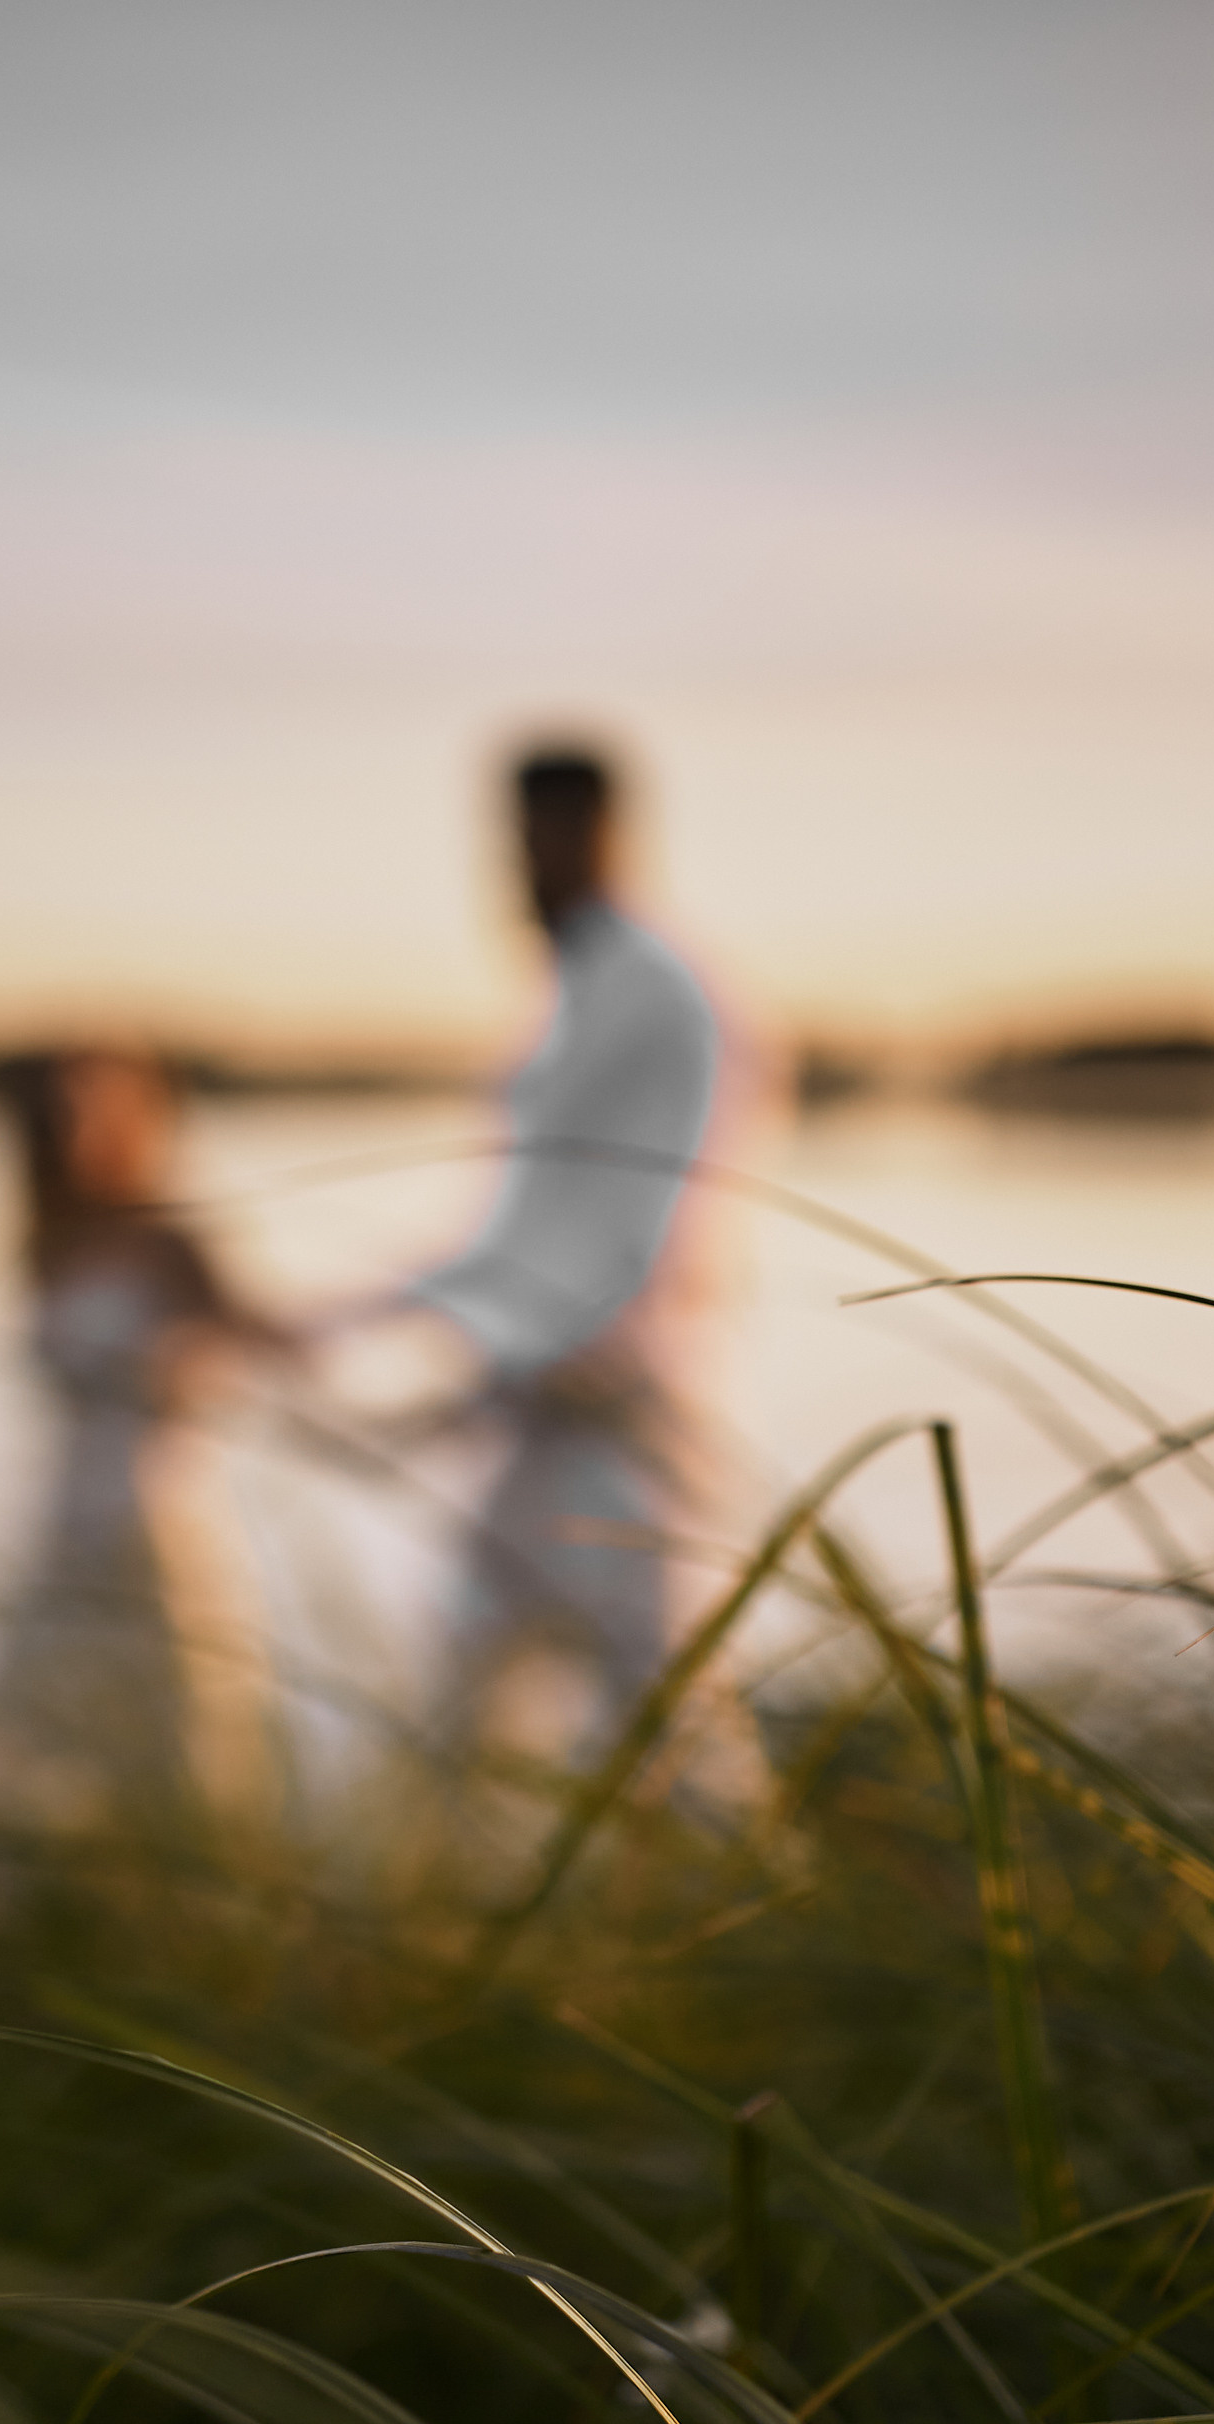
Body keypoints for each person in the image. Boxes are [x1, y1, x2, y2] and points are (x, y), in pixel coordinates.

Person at [349, 744, 723, 1757]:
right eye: (510, 841)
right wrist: (348, 1322)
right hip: (544, 1415)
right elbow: (520, 1238)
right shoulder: (590, 991)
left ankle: (743, 1901)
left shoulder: (653, 994)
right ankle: (468, 1905)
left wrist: (434, 1386)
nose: (515, 867)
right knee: (465, 1708)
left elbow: (631, 1239)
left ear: (595, 832)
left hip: (615, 1421)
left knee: (661, 1729)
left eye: (531, 838)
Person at [0, 1046, 280, 1815]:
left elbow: (262, 1342)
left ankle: (197, 1885)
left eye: (87, 1110)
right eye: (57, 1115)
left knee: (178, 1715)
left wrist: (189, 1361)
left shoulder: (168, 1238)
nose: (72, 1130)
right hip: (64, 1509)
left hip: (158, 1508)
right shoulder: (46, 1242)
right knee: (31, 1722)